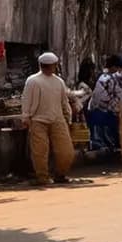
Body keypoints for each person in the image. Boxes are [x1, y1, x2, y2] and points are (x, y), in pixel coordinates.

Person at [21, 52, 75, 186]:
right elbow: (26, 100)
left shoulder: (59, 82)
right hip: (38, 120)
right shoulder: (33, 81)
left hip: (57, 119)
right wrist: (26, 117)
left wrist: (68, 116)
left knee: (66, 151)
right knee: (40, 151)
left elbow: (64, 101)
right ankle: (42, 177)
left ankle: (60, 174)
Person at [88, 56, 122, 152]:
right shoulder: (106, 78)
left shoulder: (106, 77)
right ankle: (105, 146)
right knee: (105, 128)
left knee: (104, 128)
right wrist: (111, 105)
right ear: (114, 67)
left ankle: (107, 146)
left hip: (103, 109)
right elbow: (100, 95)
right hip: (103, 109)